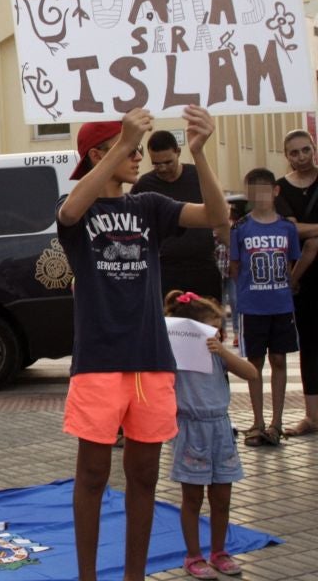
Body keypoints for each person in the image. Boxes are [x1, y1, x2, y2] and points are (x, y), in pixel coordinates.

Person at [56, 107, 229, 581]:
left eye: (135, 149)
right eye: (131, 149)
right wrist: (121, 143)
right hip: (98, 361)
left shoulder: (149, 205)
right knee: (93, 475)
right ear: (100, 154)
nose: (138, 158)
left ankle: (135, 576)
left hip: (151, 360)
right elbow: (68, 213)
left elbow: (217, 216)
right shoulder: (79, 208)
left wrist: (200, 154)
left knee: (145, 477)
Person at [163, 290, 257, 580]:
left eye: (219, 328)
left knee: (222, 498)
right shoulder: (176, 357)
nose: (217, 333)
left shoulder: (218, 356)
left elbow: (251, 373)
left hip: (221, 428)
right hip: (191, 430)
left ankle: (219, 551)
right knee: (192, 498)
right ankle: (193, 555)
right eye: (212, 328)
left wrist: (223, 351)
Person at [229, 168, 301, 447]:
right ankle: (257, 421)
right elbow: (235, 267)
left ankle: (276, 423)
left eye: (264, 191)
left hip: (281, 305)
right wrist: (246, 293)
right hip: (252, 307)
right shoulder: (240, 228)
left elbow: (291, 263)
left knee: (279, 359)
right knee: (254, 363)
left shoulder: (287, 228)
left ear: (275, 191)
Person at [131, 130, 222, 300]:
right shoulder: (144, 185)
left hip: (203, 265)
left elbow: (219, 208)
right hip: (165, 268)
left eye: (168, 162)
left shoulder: (198, 176)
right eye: (156, 164)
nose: (163, 168)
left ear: (178, 152)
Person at [275, 129, 318, 437]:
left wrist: (307, 230)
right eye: (294, 152)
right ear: (286, 155)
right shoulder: (280, 188)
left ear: (314, 148)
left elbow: (302, 231)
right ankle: (312, 416)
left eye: (306, 150)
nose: (301, 157)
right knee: (310, 346)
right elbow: (289, 230)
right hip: (301, 277)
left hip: (301, 272)